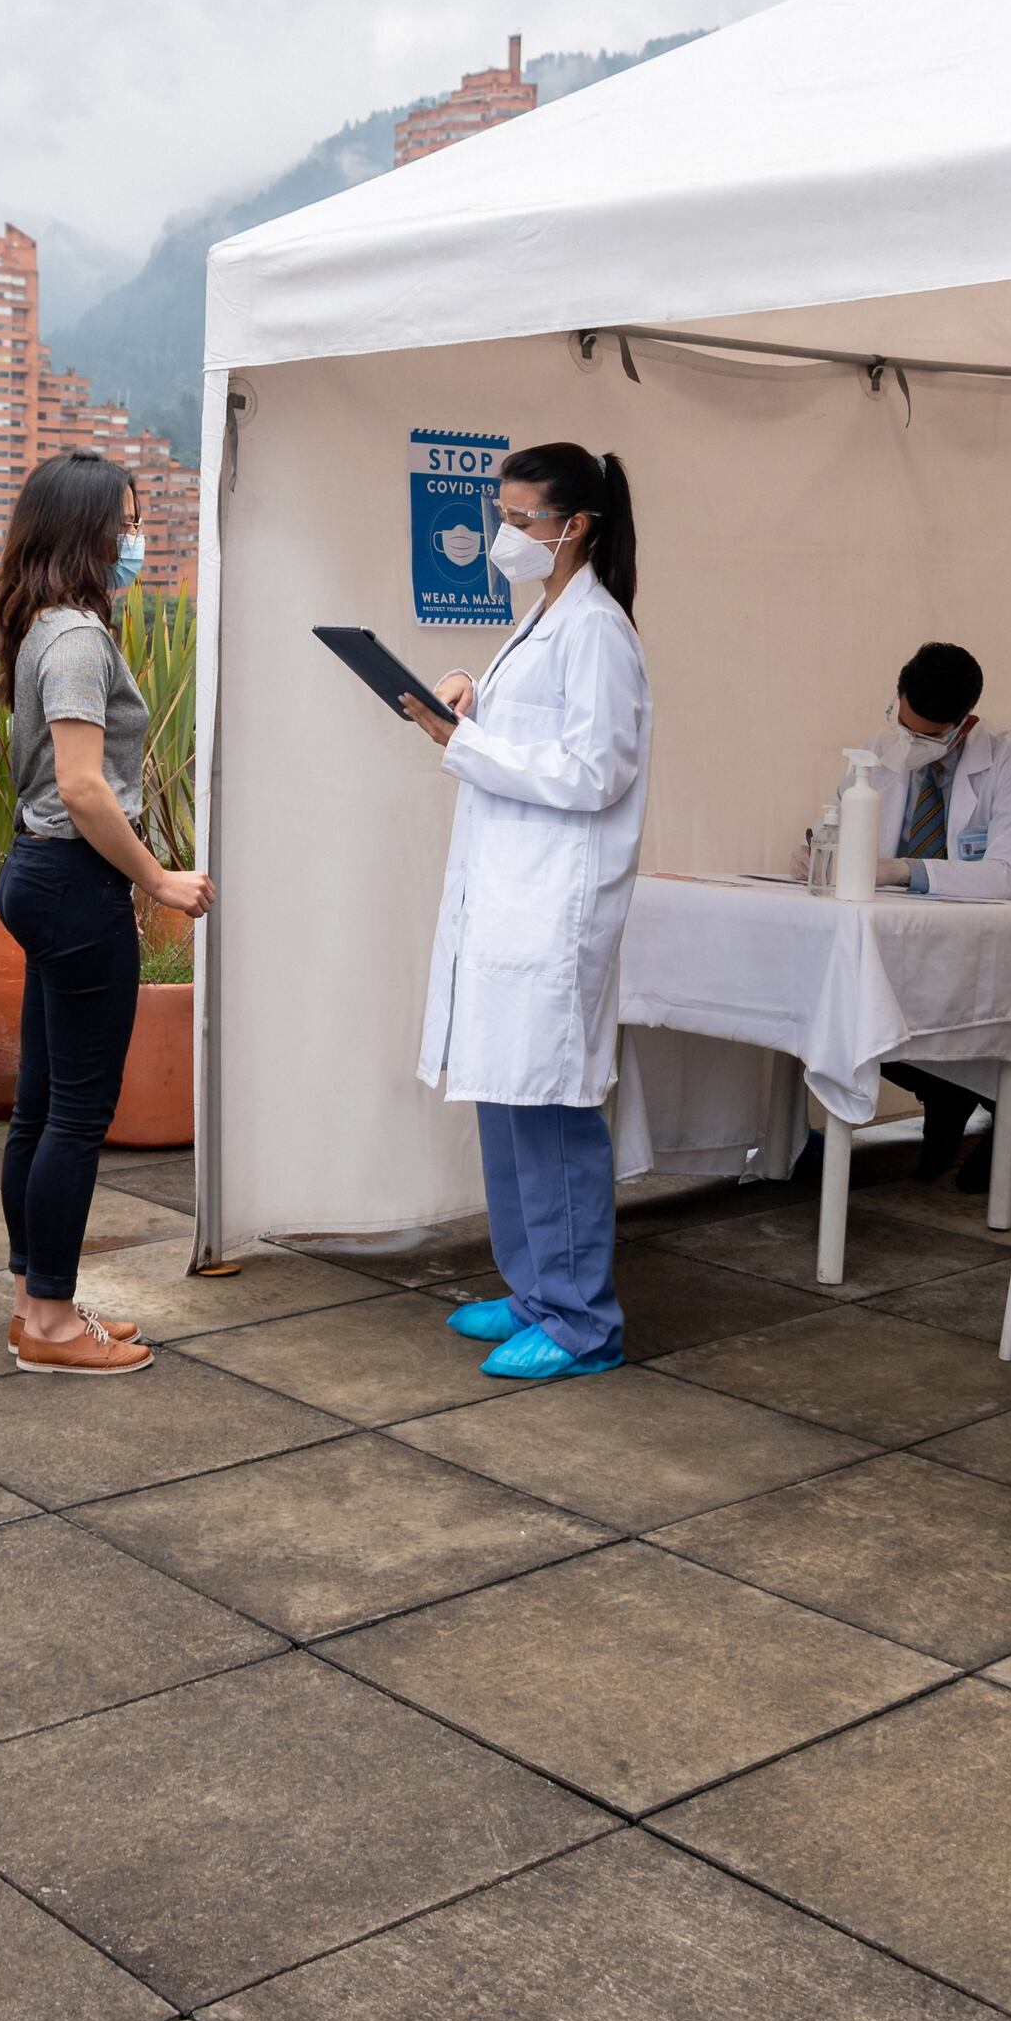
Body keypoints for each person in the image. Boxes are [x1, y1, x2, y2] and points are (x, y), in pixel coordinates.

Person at [394, 443, 652, 1380]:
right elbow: (535, 738)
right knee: (505, 1106)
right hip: (508, 902)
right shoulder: (543, 618)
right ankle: (535, 1288)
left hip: (554, 913)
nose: (503, 536)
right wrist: (472, 696)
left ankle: (583, 1321)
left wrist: (460, 740)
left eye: (519, 519)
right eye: (498, 516)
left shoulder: (598, 631)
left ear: (574, 524)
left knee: (552, 1116)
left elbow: (594, 772)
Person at [0, 452, 211, 1375]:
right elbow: (83, 787)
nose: (135, 537)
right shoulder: (79, 638)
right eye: (124, 520)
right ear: (84, 529)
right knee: (76, 1116)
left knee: (39, 1110)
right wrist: (158, 879)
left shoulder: (41, 625)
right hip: (75, 883)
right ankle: (49, 1326)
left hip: (38, 876)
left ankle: (38, 1302)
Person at [864, 639, 1011, 1191]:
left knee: (929, 1006)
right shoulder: (880, 751)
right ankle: (944, 1091)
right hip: (900, 934)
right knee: (854, 1010)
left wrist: (906, 870)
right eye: (904, 724)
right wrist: (823, 850)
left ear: (964, 725)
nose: (910, 742)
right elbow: (850, 838)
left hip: (985, 942)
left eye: (925, 735)